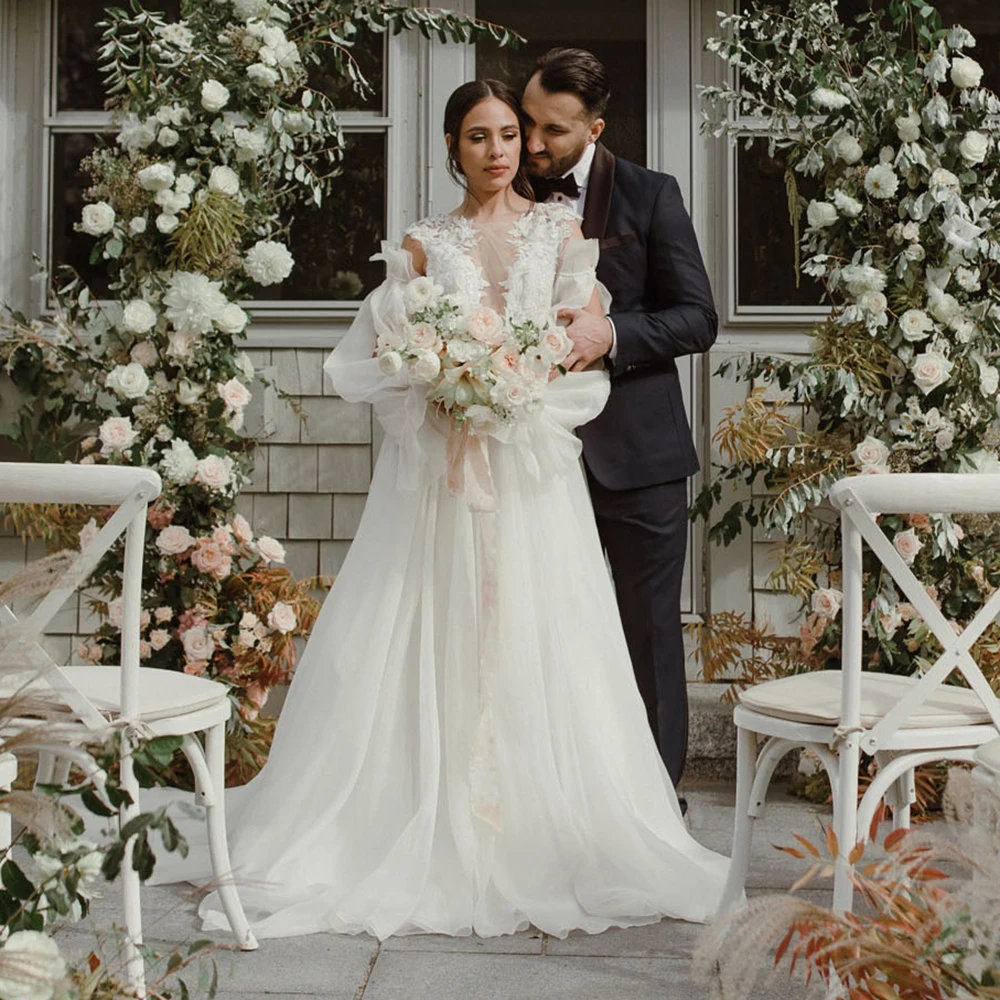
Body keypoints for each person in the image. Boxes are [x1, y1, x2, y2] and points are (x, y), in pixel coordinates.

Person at [193, 78, 727, 941]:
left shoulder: (562, 230)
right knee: (432, 630)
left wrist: (517, 384)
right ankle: (422, 810)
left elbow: (579, 339)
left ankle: (566, 818)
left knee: (553, 632)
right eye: (479, 136)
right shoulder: (422, 243)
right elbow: (383, 351)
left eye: (510, 134)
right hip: (444, 477)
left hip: (530, 474)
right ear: (453, 147)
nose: (499, 150)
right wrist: (439, 386)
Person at [521, 49, 718, 798]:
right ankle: (557, 793)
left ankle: (656, 797)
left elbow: (699, 317)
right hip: (535, 451)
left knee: (648, 630)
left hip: (639, 452)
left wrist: (616, 337)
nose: (534, 144)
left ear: (595, 128)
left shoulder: (651, 194)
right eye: (529, 122)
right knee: (545, 627)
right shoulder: (505, 193)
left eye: (554, 131)